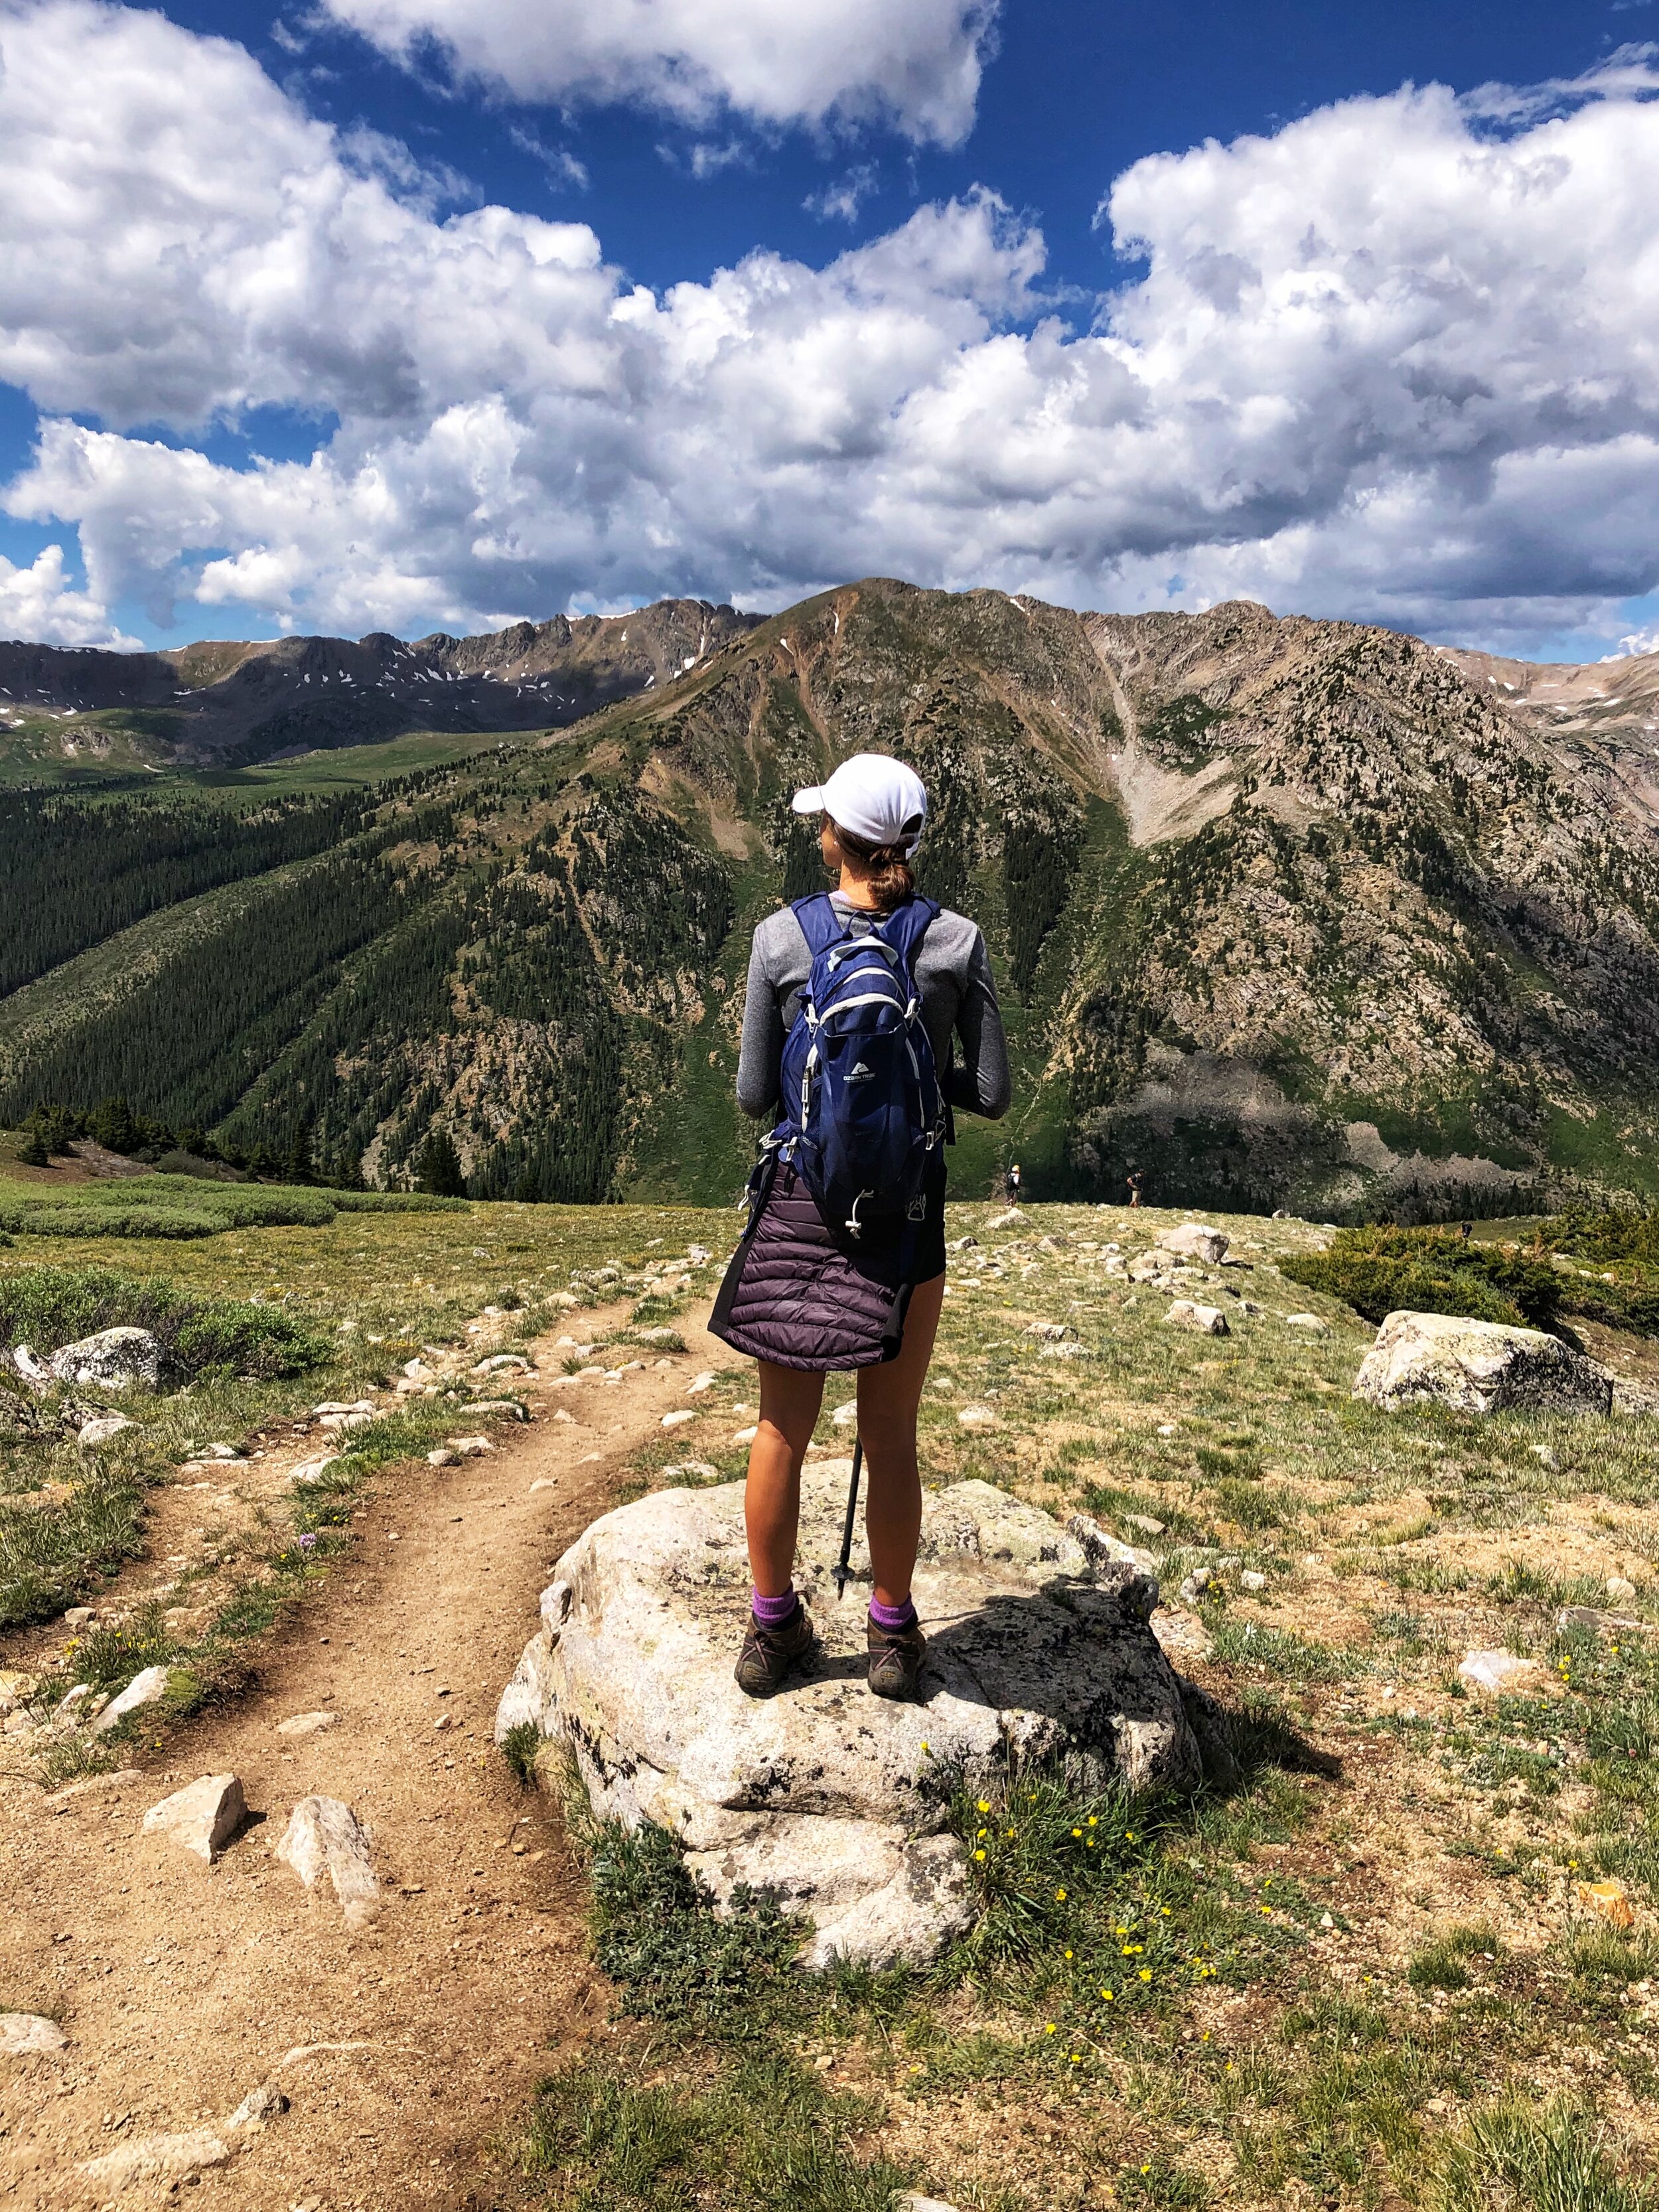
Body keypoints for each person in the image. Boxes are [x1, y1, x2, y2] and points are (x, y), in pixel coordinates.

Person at [710, 753, 1010, 1701]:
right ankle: (890, 1632)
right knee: (891, 1431)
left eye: (821, 823)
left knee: (780, 1429)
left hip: (802, 1210)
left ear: (835, 838)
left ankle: (772, 1631)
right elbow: (994, 1092)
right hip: (907, 1222)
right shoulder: (957, 941)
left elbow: (756, 1093)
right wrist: (919, 1079)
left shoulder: (777, 940)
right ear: (910, 843)